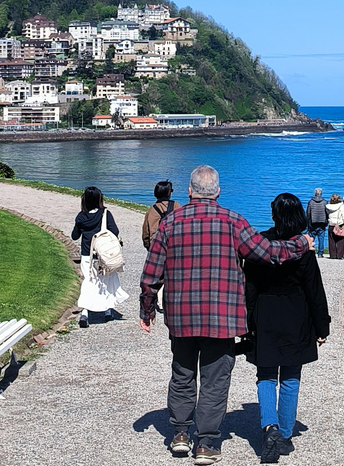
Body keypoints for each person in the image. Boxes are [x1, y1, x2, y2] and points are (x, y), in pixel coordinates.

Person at [139, 165, 314, 466]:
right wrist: (301, 243)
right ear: (218, 192)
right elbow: (268, 252)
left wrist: (147, 307)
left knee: (182, 374)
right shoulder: (233, 222)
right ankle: (206, 443)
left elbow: (151, 272)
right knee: (215, 379)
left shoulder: (170, 224)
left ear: (190, 191)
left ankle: (180, 434)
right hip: (222, 315)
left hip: (181, 314)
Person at [243, 193, 330, 463]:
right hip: (296, 314)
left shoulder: (261, 243)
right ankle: (284, 431)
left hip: (265, 312)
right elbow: (314, 288)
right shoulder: (302, 246)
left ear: (274, 215)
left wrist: (246, 321)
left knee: (266, 375)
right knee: (291, 377)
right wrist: (322, 325)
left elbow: (250, 286)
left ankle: (269, 427)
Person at [72, 186, 129, 328]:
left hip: (87, 255)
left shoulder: (81, 216)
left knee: (89, 281)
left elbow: (74, 236)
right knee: (106, 280)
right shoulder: (105, 214)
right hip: (103, 255)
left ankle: (85, 312)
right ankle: (107, 310)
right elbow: (114, 231)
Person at [141, 180, 182, 250]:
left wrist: (148, 247)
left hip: (157, 247)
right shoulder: (177, 206)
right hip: (176, 246)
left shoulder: (151, 210)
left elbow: (146, 233)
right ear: (169, 193)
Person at [325, 194, 344, 259]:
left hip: (331, 224)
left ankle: (332, 255)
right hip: (339, 224)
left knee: (331, 241)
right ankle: (339, 255)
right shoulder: (341, 206)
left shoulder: (327, 206)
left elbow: (327, 215)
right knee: (340, 240)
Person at [305, 189, 328, 258]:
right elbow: (327, 213)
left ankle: (311, 252)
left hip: (313, 223)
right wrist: (326, 221)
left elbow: (308, 213)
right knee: (321, 239)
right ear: (321, 194)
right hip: (322, 223)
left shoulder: (311, 202)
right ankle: (320, 253)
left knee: (312, 238)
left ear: (315, 194)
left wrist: (308, 222)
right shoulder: (324, 202)